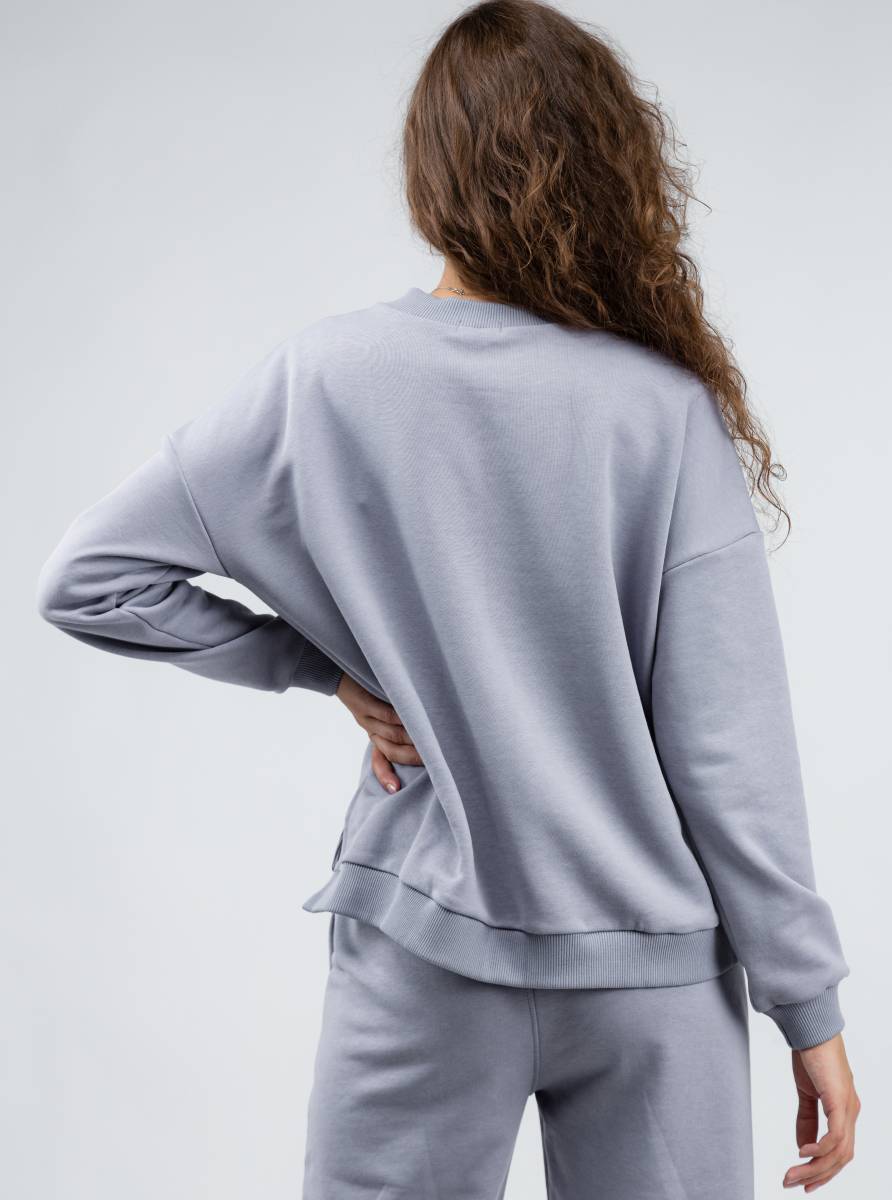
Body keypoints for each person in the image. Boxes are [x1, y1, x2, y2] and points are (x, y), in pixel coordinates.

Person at [36, 1, 860, 1196]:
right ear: (604, 170)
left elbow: (90, 578)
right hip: (653, 976)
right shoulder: (658, 410)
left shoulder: (327, 379)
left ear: (431, 175)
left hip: (422, 945)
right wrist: (807, 1005)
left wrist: (321, 669)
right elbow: (730, 751)